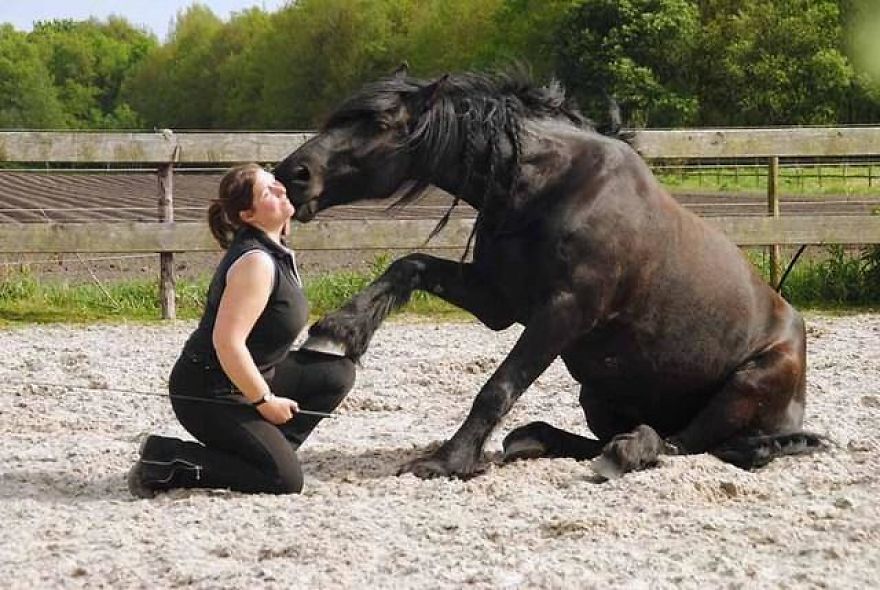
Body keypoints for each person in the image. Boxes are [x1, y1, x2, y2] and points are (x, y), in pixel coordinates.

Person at [128, 163, 355, 497]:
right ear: (248, 215)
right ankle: (165, 458)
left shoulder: (276, 249)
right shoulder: (256, 262)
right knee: (285, 481)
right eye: (268, 191)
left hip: (255, 373)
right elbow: (227, 342)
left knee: (335, 374)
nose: (281, 190)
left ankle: (265, 455)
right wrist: (264, 401)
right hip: (209, 391)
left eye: (277, 184)